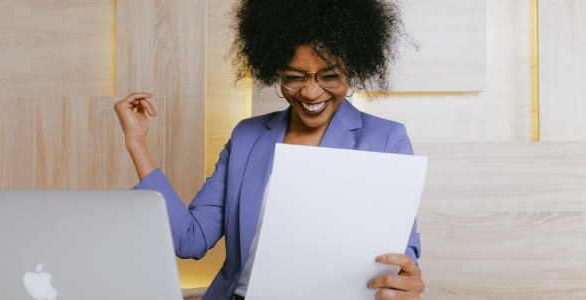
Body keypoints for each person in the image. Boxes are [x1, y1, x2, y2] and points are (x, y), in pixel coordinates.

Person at [114, 0, 425, 299]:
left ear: (350, 69)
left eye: (329, 75)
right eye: (294, 76)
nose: (311, 91)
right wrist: (137, 143)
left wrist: (402, 282)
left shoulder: (386, 140)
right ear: (276, 71)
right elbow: (189, 240)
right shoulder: (247, 137)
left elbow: (400, 250)